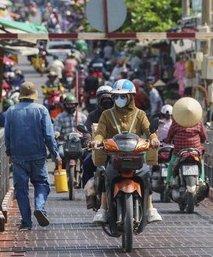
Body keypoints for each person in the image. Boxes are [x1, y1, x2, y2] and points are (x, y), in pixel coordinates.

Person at [89, 79, 162, 224]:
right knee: (105, 174)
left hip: (136, 156)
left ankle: (150, 208)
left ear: (131, 97)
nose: (119, 99)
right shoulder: (107, 115)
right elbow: (101, 131)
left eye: (122, 96)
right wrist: (96, 140)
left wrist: (153, 138)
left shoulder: (140, 114)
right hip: (114, 155)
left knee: (146, 174)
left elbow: (149, 130)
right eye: (116, 96)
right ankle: (103, 209)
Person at [4, 82, 61, 230]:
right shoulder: (42, 110)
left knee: (21, 189)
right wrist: (56, 154)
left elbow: (7, 136)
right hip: (38, 156)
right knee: (41, 183)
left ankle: (26, 222)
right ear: (34, 95)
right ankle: (40, 208)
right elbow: (48, 135)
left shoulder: (10, 111)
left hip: (18, 157)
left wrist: (9, 152)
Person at [81, 85, 114, 208]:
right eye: (102, 98)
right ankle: (90, 195)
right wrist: (89, 141)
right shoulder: (92, 115)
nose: (106, 101)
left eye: (109, 97)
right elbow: (86, 132)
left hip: (118, 150)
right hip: (99, 149)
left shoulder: (118, 114)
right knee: (87, 163)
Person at [164, 97, 208, 185]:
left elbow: (169, 136)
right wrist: (203, 140)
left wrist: (167, 140)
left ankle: (168, 181)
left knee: (172, 163)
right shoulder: (198, 123)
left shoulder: (176, 123)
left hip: (179, 151)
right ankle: (202, 180)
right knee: (201, 163)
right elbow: (204, 137)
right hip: (195, 150)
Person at [53, 94, 87, 168]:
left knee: (87, 156)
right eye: (68, 104)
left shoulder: (82, 117)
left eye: (72, 104)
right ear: (65, 106)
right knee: (60, 154)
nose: (70, 106)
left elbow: (87, 131)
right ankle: (61, 171)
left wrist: (86, 137)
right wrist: (56, 134)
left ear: (75, 105)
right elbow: (56, 129)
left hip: (79, 142)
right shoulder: (60, 117)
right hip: (65, 142)